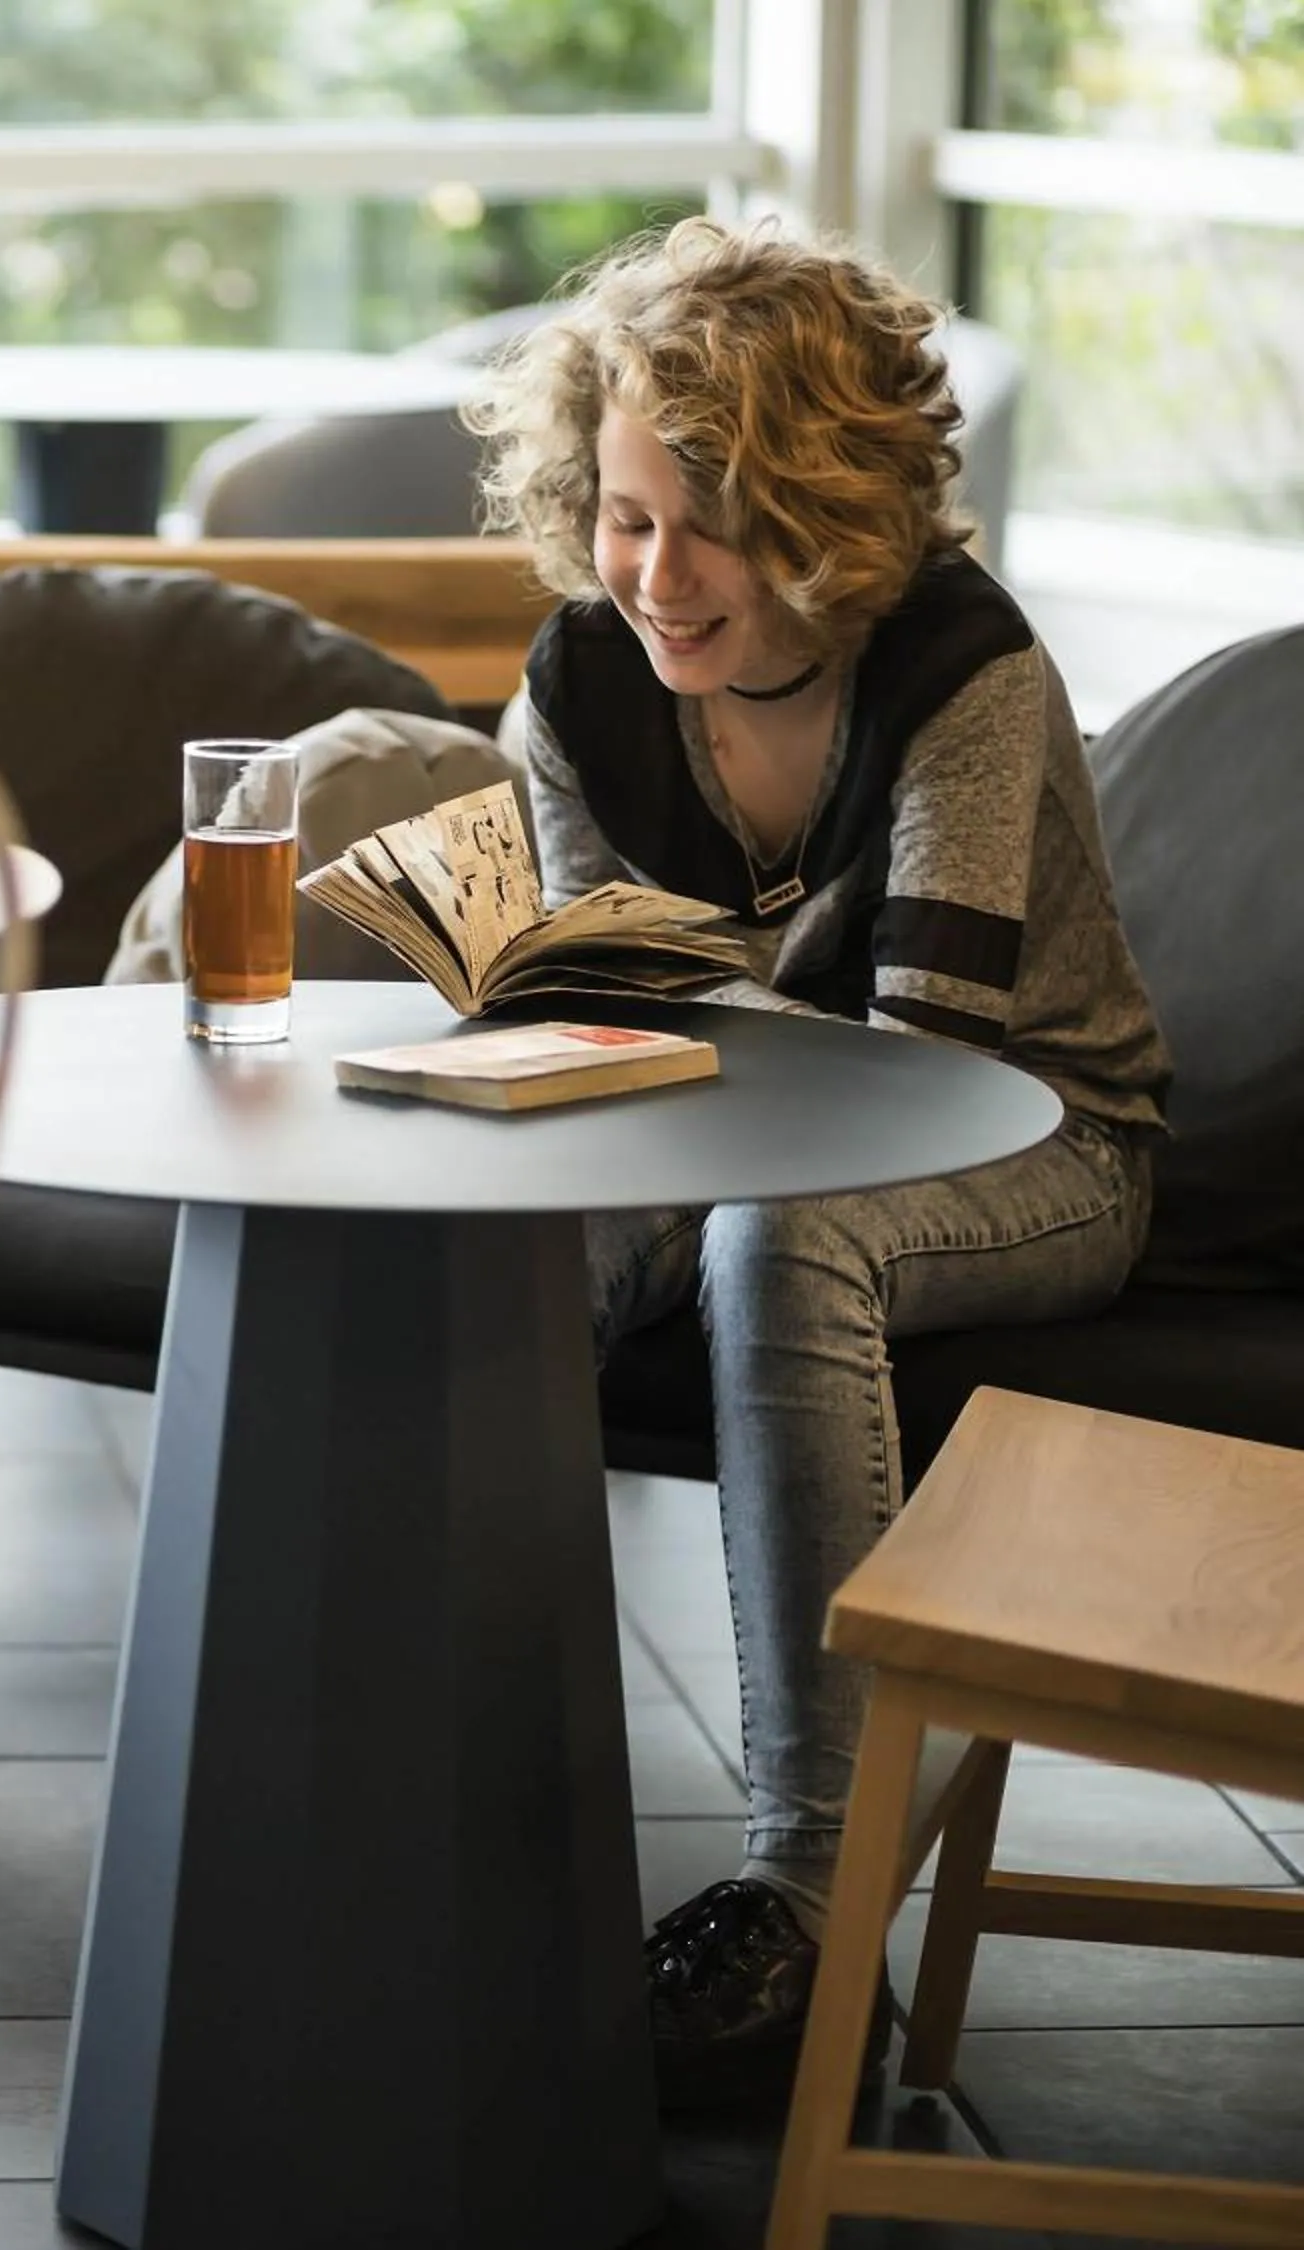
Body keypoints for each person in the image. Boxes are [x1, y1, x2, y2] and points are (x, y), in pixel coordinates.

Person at [463, 218, 1171, 2107]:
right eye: (624, 514)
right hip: (744, 1117)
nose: (658, 578)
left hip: (1040, 1141)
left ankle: (806, 1898)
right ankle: (440, 1818)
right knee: (504, 1239)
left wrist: (672, 1050)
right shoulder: (576, 685)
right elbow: (615, 1022)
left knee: (784, 1238)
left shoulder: (964, 671)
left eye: (722, 525)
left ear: (838, 512)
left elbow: (924, 1080)